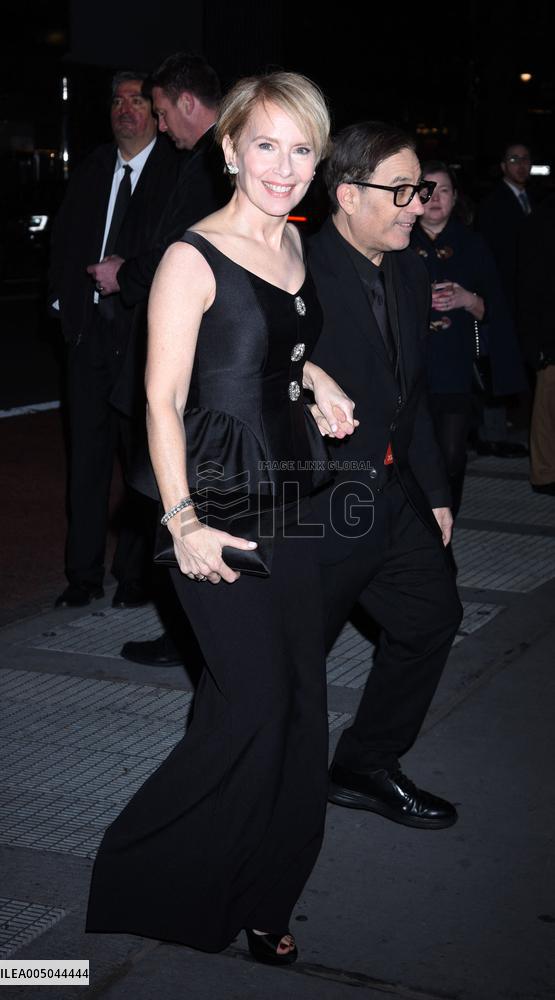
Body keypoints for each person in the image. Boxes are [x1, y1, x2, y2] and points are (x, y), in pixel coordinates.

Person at [86, 72, 355, 963]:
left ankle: (265, 894)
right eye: (265, 146)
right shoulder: (189, 257)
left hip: (294, 500)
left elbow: (280, 339)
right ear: (230, 149)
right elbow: (160, 401)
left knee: (302, 710)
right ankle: (141, 875)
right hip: (217, 510)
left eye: (301, 149)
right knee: (251, 710)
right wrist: (184, 523)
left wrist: (315, 380)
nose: (283, 168)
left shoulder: (294, 245)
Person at [308, 122, 463, 829]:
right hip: (317, 503)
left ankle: (364, 763)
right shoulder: (297, 270)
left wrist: (432, 493)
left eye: (420, 187)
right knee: (276, 669)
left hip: (393, 497)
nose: (416, 203)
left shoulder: (408, 267)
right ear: (346, 195)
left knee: (431, 617)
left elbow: (412, 397)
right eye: (400, 189)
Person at [89, 52, 231, 667]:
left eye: (164, 111)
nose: (162, 124)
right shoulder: (210, 158)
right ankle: (190, 627)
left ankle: (190, 630)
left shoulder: (210, 164)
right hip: (212, 346)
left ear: (187, 103)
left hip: (200, 350)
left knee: (176, 478)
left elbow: (186, 247)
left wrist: (129, 272)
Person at [49, 71, 179, 608]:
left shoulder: (175, 174)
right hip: (87, 338)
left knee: (140, 462)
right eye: (118, 101)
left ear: (155, 112)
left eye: (137, 101)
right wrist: (63, 306)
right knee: (86, 460)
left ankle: (132, 577)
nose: (126, 110)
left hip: (141, 340)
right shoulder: (94, 167)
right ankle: (81, 577)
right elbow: (63, 238)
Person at [411, 161, 526, 515]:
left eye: (444, 190)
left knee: (451, 458)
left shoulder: (473, 244)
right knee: (409, 459)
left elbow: (496, 309)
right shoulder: (398, 242)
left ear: (455, 197)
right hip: (411, 372)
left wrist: (468, 299)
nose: (435, 199)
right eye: (427, 190)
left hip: (457, 370)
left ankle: (445, 526)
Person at [476, 142, 533, 457]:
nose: (521, 165)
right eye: (514, 159)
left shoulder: (532, 200)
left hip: (525, 297)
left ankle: (515, 424)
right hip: (502, 295)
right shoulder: (494, 204)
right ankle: (494, 433)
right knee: (496, 362)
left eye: (525, 160)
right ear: (503, 166)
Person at [518, 194, 555, 494]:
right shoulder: (542, 220)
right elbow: (530, 285)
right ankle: (544, 474)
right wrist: (535, 342)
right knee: (547, 408)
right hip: (548, 334)